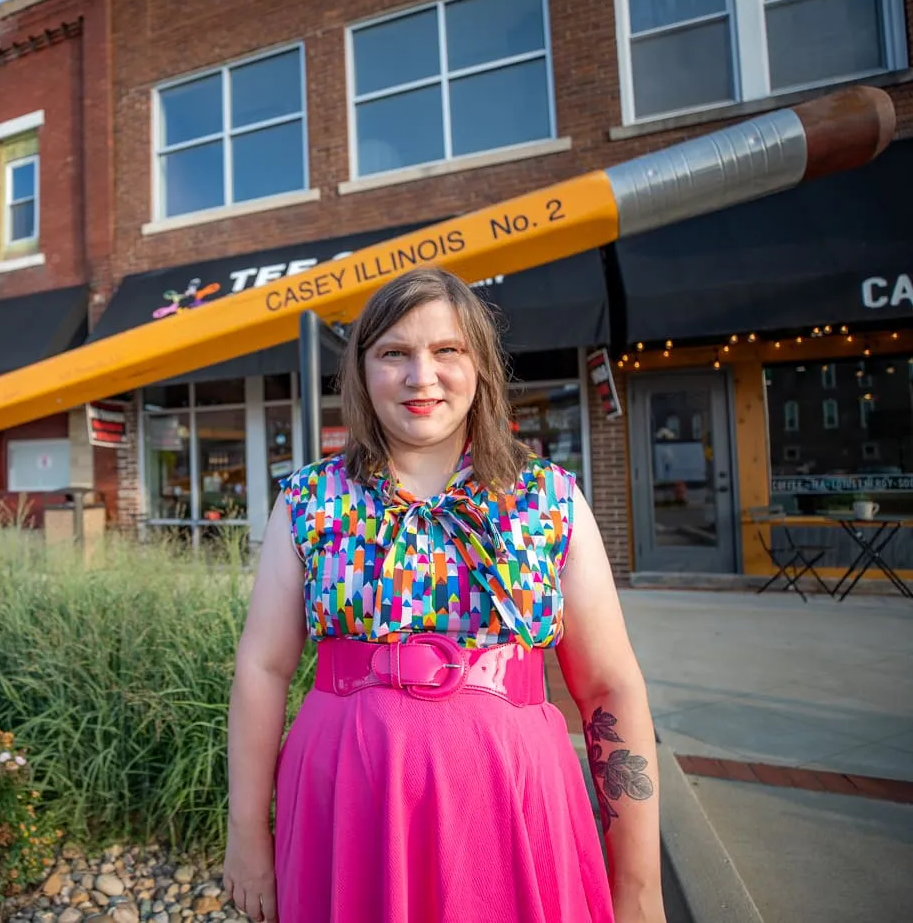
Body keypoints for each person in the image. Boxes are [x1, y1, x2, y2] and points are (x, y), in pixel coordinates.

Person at [223, 267, 663, 922]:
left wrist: (638, 883)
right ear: (362, 371)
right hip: (348, 804)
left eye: (446, 350)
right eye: (394, 352)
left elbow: (607, 686)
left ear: (480, 365)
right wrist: (246, 832)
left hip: (513, 804)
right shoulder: (308, 501)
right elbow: (263, 668)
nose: (420, 376)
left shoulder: (549, 498)